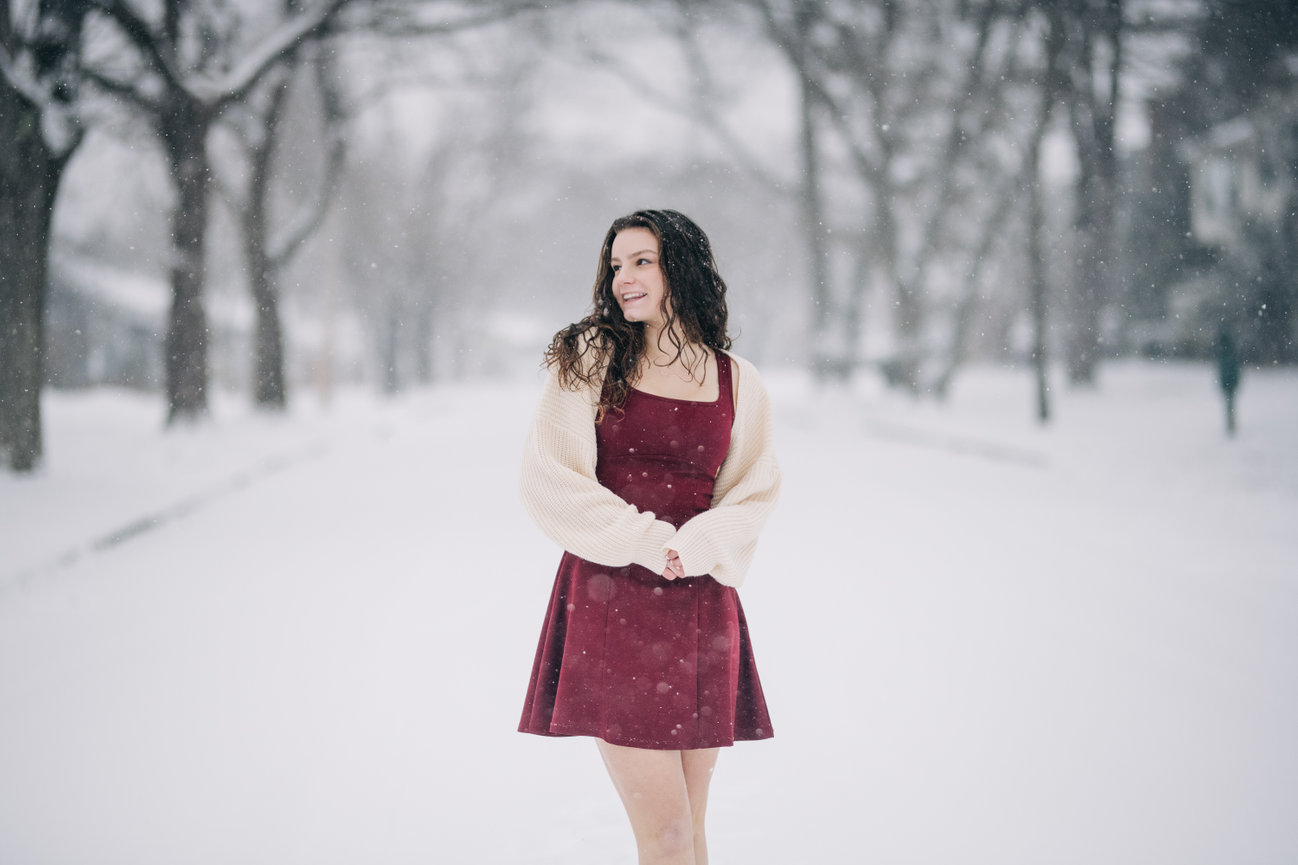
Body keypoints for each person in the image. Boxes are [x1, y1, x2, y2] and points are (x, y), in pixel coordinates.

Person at [517, 209, 782, 865]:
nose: (623, 278)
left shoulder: (737, 378)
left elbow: (755, 488)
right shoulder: (588, 359)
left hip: (701, 603)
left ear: (681, 269)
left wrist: (696, 545)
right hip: (615, 600)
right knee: (664, 833)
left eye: (642, 261)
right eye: (615, 264)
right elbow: (549, 479)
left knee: (690, 831)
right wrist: (646, 539)